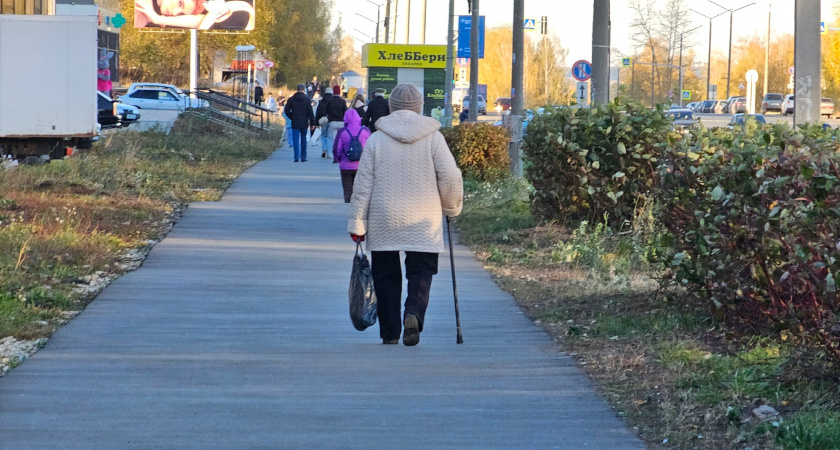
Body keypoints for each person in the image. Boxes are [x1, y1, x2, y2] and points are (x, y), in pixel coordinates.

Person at [348, 83, 463, 346]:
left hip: (384, 216)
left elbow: (362, 185)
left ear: (391, 107)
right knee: (421, 272)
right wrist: (451, 206)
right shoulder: (434, 138)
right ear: (419, 107)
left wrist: (357, 222)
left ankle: (390, 333)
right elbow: (450, 176)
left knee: (385, 276)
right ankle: (413, 313)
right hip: (424, 217)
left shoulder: (376, 139)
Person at [134, 0, 255, 30]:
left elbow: (201, 21)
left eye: (180, 14)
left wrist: (159, 19)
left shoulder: (148, 16)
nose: (174, 13)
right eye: (180, 3)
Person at [332, 109, 370, 203]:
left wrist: (338, 159)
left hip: (345, 166)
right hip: (361, 166)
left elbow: (337, 149)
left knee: (348, 190)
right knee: (360, 191)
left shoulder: (342, 131)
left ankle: (348, 206)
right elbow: (370, 148)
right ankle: (359, 207)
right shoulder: (365, 131)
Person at [284, 83, 316, 162]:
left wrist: (292, 117)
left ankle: (296, 157)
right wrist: (312, 123)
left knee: (295, 139)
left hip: (295, 121)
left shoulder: (291, 99)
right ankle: (303, 157)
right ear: (304, 89)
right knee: (303, 139)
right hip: (304, 122)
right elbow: (310, 112)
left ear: (297, 89)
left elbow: (286, 110)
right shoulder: (307, 99)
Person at [325, 90, 347, 159]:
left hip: (332, 122)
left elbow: (327, 111)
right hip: (341, 122)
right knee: (341, 138)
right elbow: (345, 111)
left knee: (331, 138)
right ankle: (340, 153)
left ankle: (330, 154)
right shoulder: (342, 101)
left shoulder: (330, 101)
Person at [315, 90, 333, 158]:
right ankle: (329, 153)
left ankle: (324, 149)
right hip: (330, 121)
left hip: (323, 121)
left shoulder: (321, 102)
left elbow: (318, 112)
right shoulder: (332, 101)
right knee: (329, 137)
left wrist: (316, 123)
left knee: (323, 135)